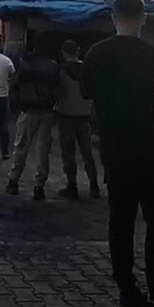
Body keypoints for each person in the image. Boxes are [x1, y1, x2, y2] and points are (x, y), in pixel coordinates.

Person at [81, 0, 154, 307]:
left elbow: (87, 92)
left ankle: (127, 291)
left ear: (112, 18)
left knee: (121, 222)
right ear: (143, 19)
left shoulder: (97, 53)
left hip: (116, 152)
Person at [6, 32, 59, 200]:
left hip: (28, 111)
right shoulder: (53, 65)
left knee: (21, 147)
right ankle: (39, 186)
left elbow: (14, 84)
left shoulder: (24, 63)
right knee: (43, 150)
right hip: (46, 112)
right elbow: (58, 91)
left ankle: (13, 182)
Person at [54, 39, 100, 200]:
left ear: (63, 52)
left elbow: (59, 93)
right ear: (78, 50)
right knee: (87, 153)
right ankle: (94, 186)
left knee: (68, 153)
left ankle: (72, 186)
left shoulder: (61, 71)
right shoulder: (88, 69)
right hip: (84, 116)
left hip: (66, 115)